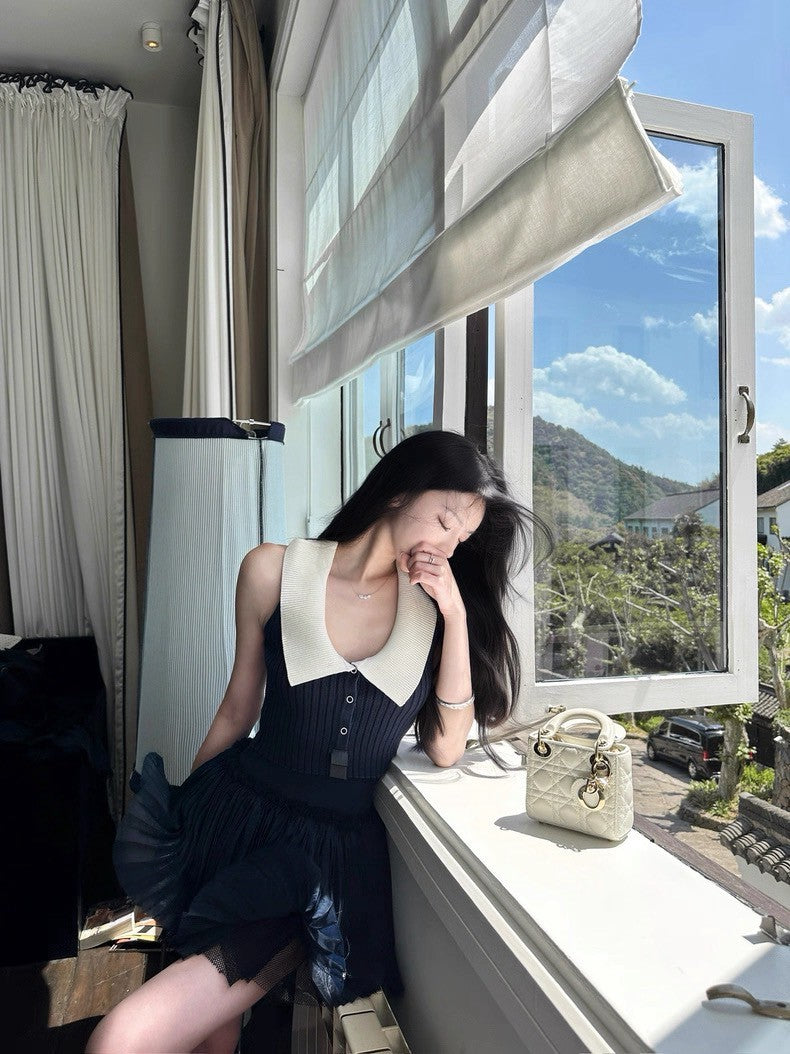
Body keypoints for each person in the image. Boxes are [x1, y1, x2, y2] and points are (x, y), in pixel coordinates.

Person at [87, 429, 548, 1054]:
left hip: (320, 864)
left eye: (461, 537)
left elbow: (446, 747)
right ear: (399, 490)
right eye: (444, 521)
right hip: (231, 816)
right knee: (213, 1036)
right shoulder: (272, 569)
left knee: (122, 1037)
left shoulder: (436, 610)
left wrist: (458, 615)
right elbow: (237, 709)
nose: (447, 545)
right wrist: (184, 820)